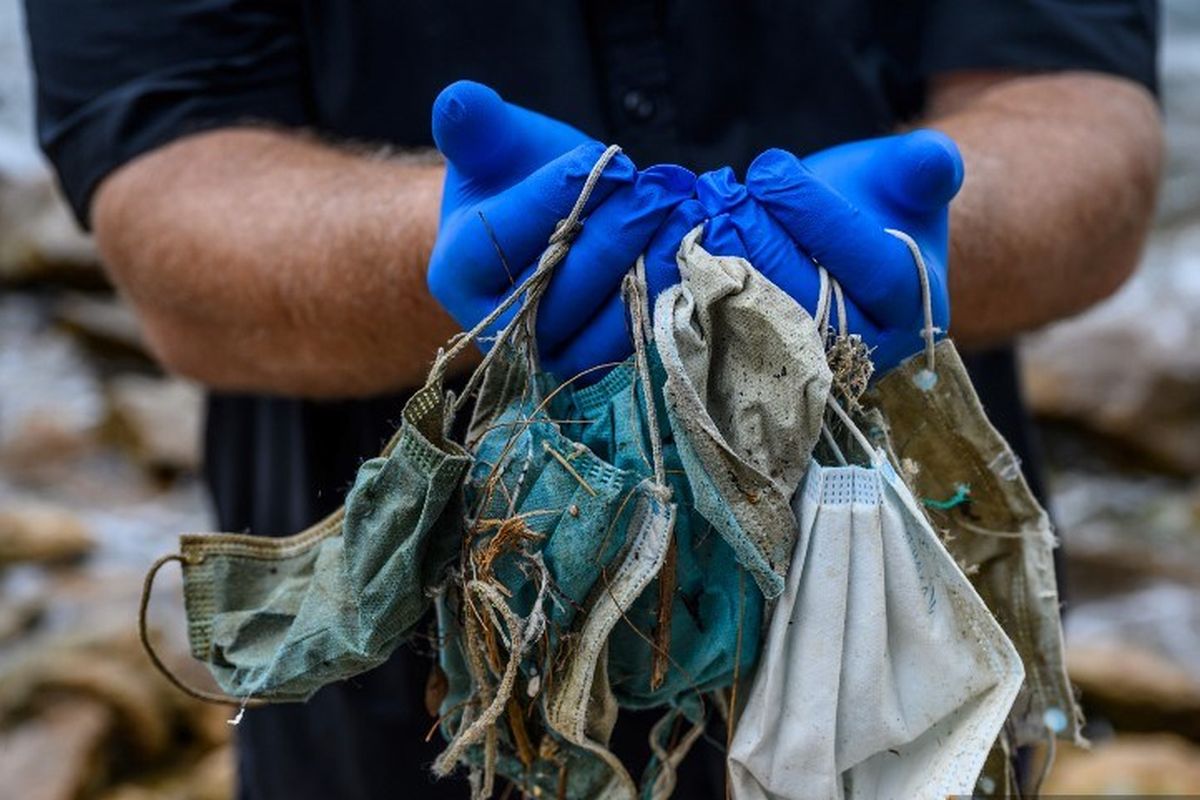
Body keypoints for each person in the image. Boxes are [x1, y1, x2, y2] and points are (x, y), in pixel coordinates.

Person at [25, 2, 1162, 798]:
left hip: (902, 654)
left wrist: (941, 228)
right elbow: (167, 182)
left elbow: (1080, 111)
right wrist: (431, 258)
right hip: (402, 715)